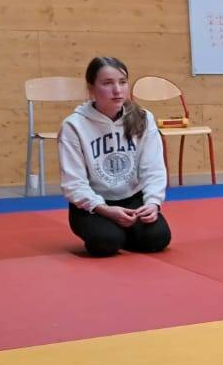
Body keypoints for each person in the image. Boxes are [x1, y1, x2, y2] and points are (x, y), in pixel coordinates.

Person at [58, 56, 171, 257]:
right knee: (105, 242)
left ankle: (124, 232)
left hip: (132, 199)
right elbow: (73, 182)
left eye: (122, 82)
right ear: (91, 89)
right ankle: (115, 232)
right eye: (108, 83)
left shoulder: (144, 118)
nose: (117, 90)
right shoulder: (73, 126)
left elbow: (153, 168)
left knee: (158, 238)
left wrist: (152, 203)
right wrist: (103, 209)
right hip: (94, 204)